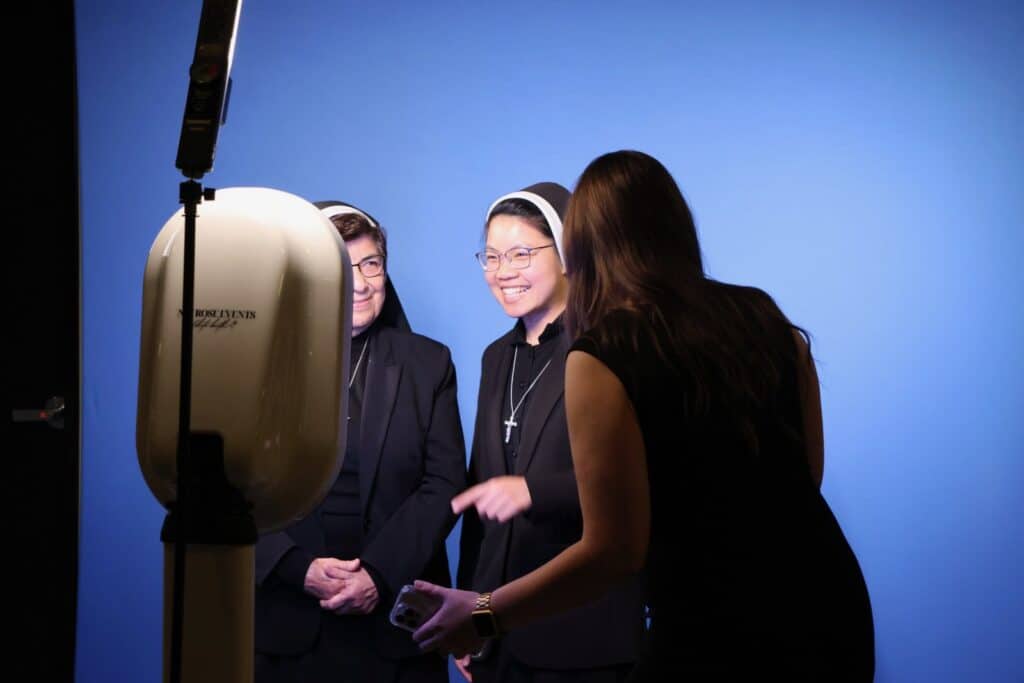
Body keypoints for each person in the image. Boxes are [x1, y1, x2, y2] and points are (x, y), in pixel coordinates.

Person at [412, 152, 875, 681]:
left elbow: (613, 551)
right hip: (826, 599)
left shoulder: (603, 353)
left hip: (710, 619)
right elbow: (804, 476)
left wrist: (483, 615)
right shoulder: (766, 317)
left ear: (579, 248)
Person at [254, 201, 467, 683]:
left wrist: (377, 573)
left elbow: (444, 482)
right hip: (288, 624)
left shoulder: (428, 364)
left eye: (371, 264)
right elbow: (228, 485)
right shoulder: (259, 362)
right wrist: (294, 567)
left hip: (394, 626)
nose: (361, 282)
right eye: (340, 267)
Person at [452, 182, 646, 682]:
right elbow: (484, 497)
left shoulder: (610, 345)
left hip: (583, 633)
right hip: (499, 633)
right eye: (491, 257)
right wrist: (469, 612)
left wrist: (533, 491)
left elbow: (640, 480)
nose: (503, 272)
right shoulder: (496, 357)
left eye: (520, 253)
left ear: (565, 256)